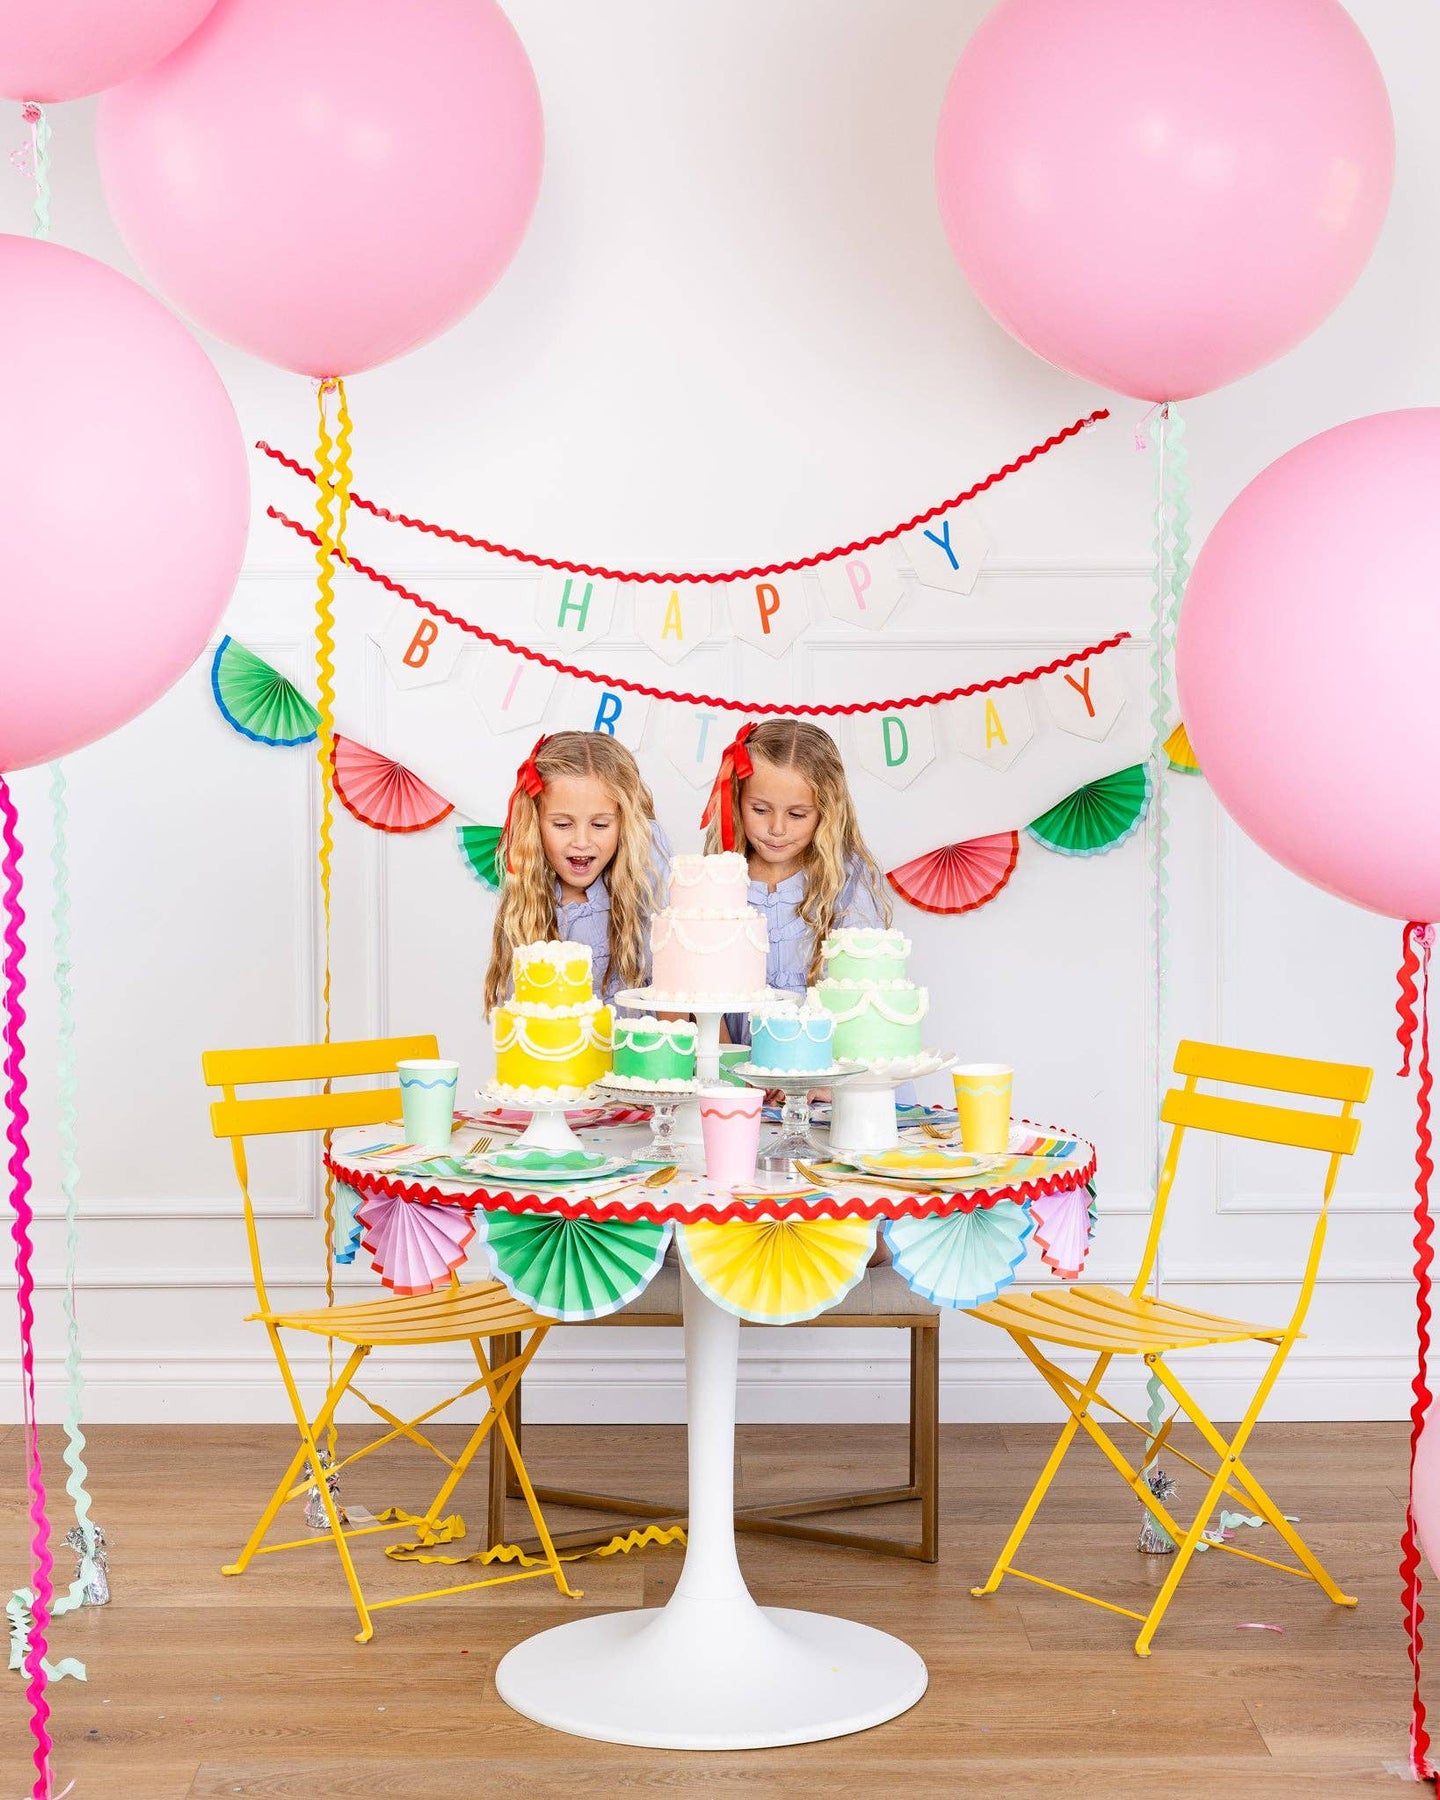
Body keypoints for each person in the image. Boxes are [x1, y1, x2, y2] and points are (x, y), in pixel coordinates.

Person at [701, 717, 892, 1047]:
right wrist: (726, 1063)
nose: (777, 828)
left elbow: (861, 989)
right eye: (760, 809)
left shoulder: (846, 878)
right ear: (736, 799)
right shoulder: (717, 876)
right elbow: (699, 991)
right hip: (737, 1065)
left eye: (797, 814)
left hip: (825, 1061)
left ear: (825, 811)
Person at [484, 731, 669, 1013]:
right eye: (562, 824)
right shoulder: (529, 903)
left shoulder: (643, 876)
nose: (582, 841)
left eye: (600, 825)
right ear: (535, 823)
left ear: (625, 823)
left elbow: (676, 982)